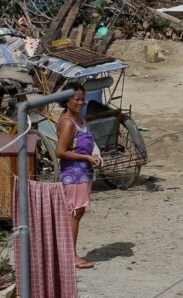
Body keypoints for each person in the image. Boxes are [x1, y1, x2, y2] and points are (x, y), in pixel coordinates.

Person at [56, 83, 101, 270]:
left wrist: (95, 154)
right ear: (67, 100)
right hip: (73, 174)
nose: (81, 102)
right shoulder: (67, 122)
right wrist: (85, 157)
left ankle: (68, 253)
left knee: (78, 212)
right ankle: (70, 256)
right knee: (74, 213)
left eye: (83, 98)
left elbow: (89, 141)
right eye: (77, 99)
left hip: (83, 172)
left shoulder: (80, 118)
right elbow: (60, 151)